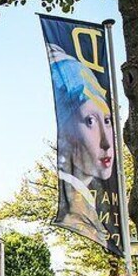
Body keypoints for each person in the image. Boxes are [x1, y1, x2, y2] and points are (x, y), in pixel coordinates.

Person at [48, 44, 119, 254]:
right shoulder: (79, 206)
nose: (106, 142)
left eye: (106, 120)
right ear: (68, 133)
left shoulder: (94, 203)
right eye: (90, 121)